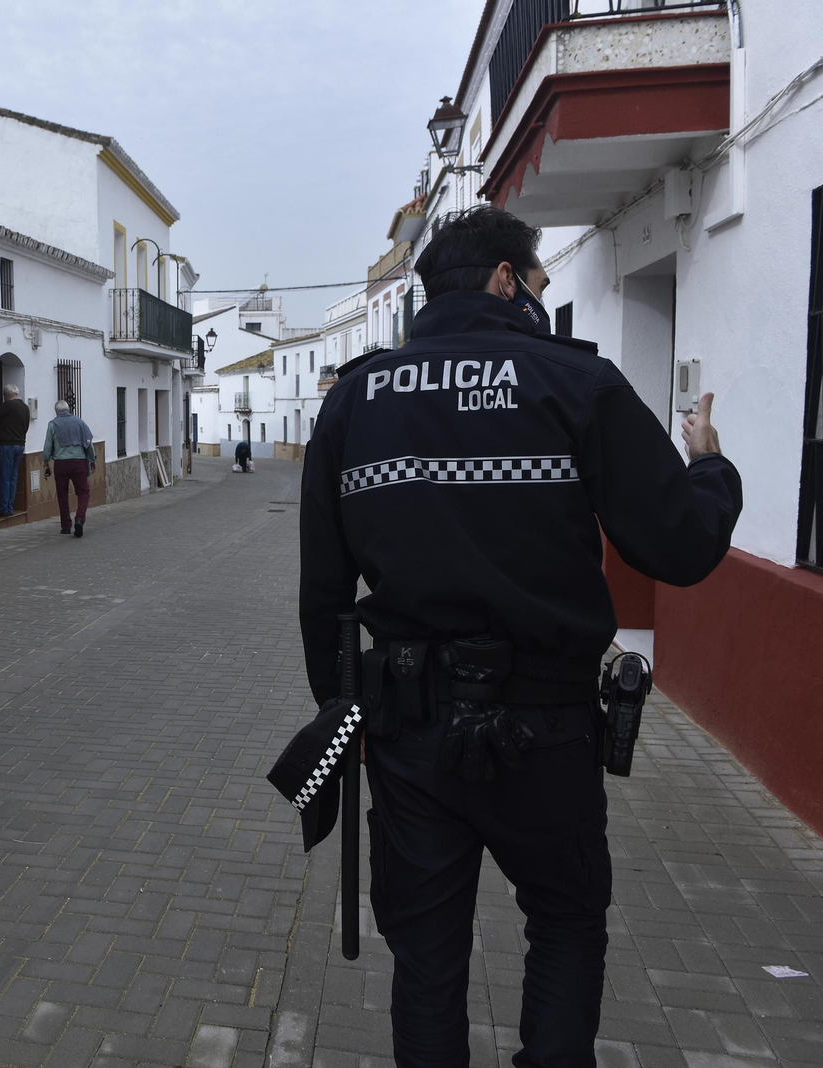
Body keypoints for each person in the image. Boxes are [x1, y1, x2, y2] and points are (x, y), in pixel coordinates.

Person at [298, 206, 741, 1067]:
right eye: (538, 282)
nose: (539, 296)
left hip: (409, 734)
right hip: (549, 726)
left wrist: (343, 714)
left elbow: (323, 593)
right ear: (506, 279)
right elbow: (680, 546)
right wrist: (711, 467)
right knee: (568, 925)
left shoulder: (356, 398)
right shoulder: (578, 384)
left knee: (426, 962)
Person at [42, 401, 95, 537]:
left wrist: (46, 462)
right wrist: (92, 460)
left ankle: (66, 526)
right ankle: (79, 519)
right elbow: (89, 442)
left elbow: (48, 445)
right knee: (83, 492)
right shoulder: (80, 423)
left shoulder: (53, 424)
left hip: (61, 464)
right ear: (69, 409)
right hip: (79, 463)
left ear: (56, 411)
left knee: (62, 494)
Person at [0, 384, 30, 517]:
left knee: (4, 477)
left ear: (7, 395)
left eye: (4, 395)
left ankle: (3, 508)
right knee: (13, 477)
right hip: (20, 445)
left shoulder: (8, 405)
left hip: (7, 446)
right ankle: (10, 506)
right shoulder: (25, 407)